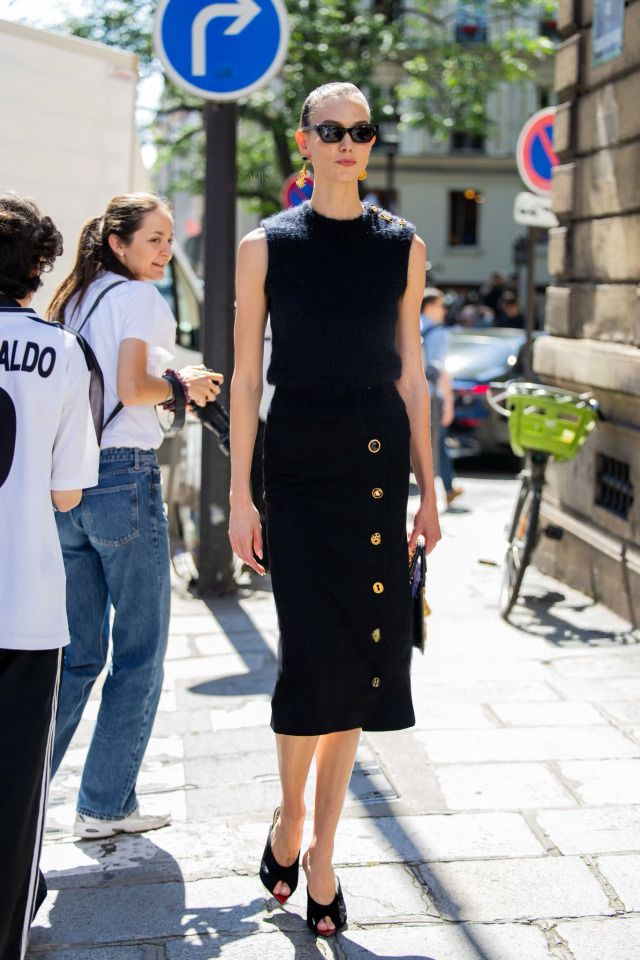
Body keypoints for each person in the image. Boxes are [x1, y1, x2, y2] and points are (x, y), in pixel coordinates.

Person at [229, 82, 440, 938]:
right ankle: (289, 817)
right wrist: (241, 492)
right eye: (332, 130)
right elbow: (246, 378)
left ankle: (322, 853)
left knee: (360, 660)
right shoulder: (265, 245)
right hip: (299, 467)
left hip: (378, 468)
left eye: (362, 131)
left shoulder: (404, 245)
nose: (349, 142)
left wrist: (429, 493)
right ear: (303, 142)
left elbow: (412, 373)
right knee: (309, 656)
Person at [47, 193, 223, 839]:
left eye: (169, 238)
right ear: (118, 243)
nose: (164, 250)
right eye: (152, 238)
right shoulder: (140, 299)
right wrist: (185, 385)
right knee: (140, 652)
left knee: (78, 656)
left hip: (67, 485)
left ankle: (26, 792)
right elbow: (131, 390)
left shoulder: (76, 299)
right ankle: (104, 805)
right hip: (122, 475)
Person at [0, 192, 100, 959]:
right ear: (39, 268)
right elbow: (68, 490)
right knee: (13, 797)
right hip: (24, 602)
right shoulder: (60, 351)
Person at [420, 288, 463, 508]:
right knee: (437, 444)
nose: (444, 310)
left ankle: (446, 488)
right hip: (432, 398)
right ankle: (442, 491)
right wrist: (449, 402)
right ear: (429, 306)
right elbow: (440, 371)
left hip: (411, 396)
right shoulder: (438, 333)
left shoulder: (412, 326)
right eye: (440, 305)